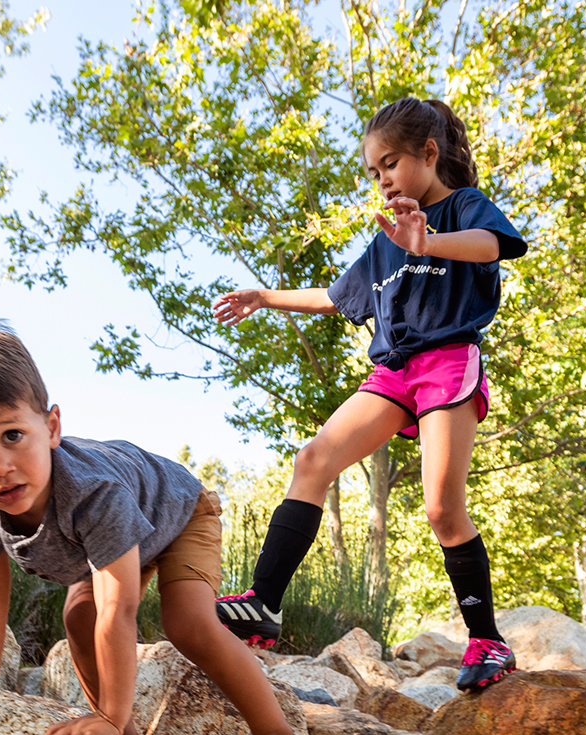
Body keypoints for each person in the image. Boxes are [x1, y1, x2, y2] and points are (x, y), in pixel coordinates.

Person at [0, 326, 320, 735]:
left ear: (52, 427)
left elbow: (118, 609)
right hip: (104, 546)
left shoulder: (93, 492)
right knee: (79, 616)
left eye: (12, 435)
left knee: (187, 623)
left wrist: (107, 714)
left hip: (178, 512)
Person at [211, 97, 528, 692]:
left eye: (390, 164)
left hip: (447, 360)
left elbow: (491, 246)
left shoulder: (461, 208)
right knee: (312, 459)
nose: (381, 179)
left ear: (428, 154)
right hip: (394, 372)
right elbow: (336, 296)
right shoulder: (384, 239)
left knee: (441, 509)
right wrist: (265, 296)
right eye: (372, 170)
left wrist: (427, 242)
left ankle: (488, 640)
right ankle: (264, 605)